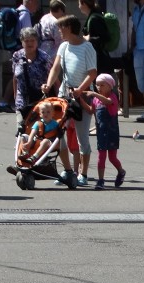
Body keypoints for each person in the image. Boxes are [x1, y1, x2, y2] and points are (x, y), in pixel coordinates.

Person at [44, 14, 97, 183]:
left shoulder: (88, 47)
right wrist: (48, 84)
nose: (59, 31)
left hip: (82, 96)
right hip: (64, 95)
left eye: (61, 27)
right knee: (58, 132)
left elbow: (92, 73)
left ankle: (83, 174)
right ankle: (67, 171)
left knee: (82, 137)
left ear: (69, 28)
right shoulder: (64, 47)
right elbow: (56, 68)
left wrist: (80, 89)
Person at [81, 72, 126, 188]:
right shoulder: (96, 100)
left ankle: (121, 171)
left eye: (102, 85)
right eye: (97, 85)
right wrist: (79, 99)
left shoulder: (112, 97)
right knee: (101, 156)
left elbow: (108, 102)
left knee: (112, 157)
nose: (99, 88)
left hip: (112, 132)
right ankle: (101, 180)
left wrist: (94, 94)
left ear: (110, 86)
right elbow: (91, 110)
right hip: (101, 132)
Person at [12, 26, 51, 127]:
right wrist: (15, 97)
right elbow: (15, 78)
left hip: (39, 100)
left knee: (39, 129)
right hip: (22, 100)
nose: (29, 43)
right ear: (22, 42)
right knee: (21, 128)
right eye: (26, 41)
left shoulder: (44, 57)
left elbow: (52, 77)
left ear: (37, 41)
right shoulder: (17, 56)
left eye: (32, 40)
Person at [80, 0, 113, 74]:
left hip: (100, 61)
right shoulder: (93, 17)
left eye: (79, 4)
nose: (79, 7)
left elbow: (105, 37)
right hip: (96, 59)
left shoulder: (94, 19)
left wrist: (88, 39)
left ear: (83, 4)